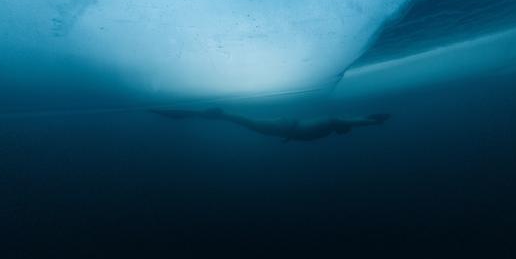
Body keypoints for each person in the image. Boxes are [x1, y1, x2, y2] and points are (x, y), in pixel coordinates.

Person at [151, 108, 390, 142]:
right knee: (239, 120)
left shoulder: (327, 128)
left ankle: (182, 114)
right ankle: (184, 114)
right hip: (283, 127)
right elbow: (355, 122)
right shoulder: (331, 125)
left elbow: (302, 134)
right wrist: (372, 121)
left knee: (241, 120)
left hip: (286, 127)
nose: (345, 128)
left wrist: (370, 121)